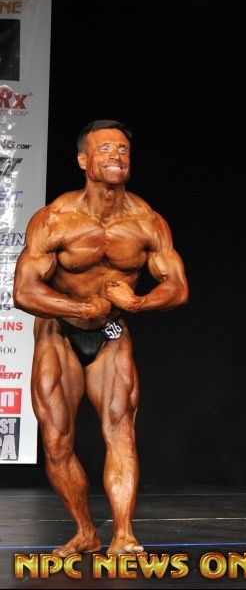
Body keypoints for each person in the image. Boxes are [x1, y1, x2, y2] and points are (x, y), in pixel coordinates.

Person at [13, 120, 189, 556]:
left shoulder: (148, 222)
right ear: (83, 160)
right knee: (57, 441)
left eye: (123, 149)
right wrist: (77, 309)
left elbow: (177, 287)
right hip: (58, 333)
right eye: (105, 148)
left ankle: (124, 535)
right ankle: (85, 531)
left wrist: (138, 303)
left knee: (121, 431)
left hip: (111, 333)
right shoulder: (55, 219)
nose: (116, 156)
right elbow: (24, 291)